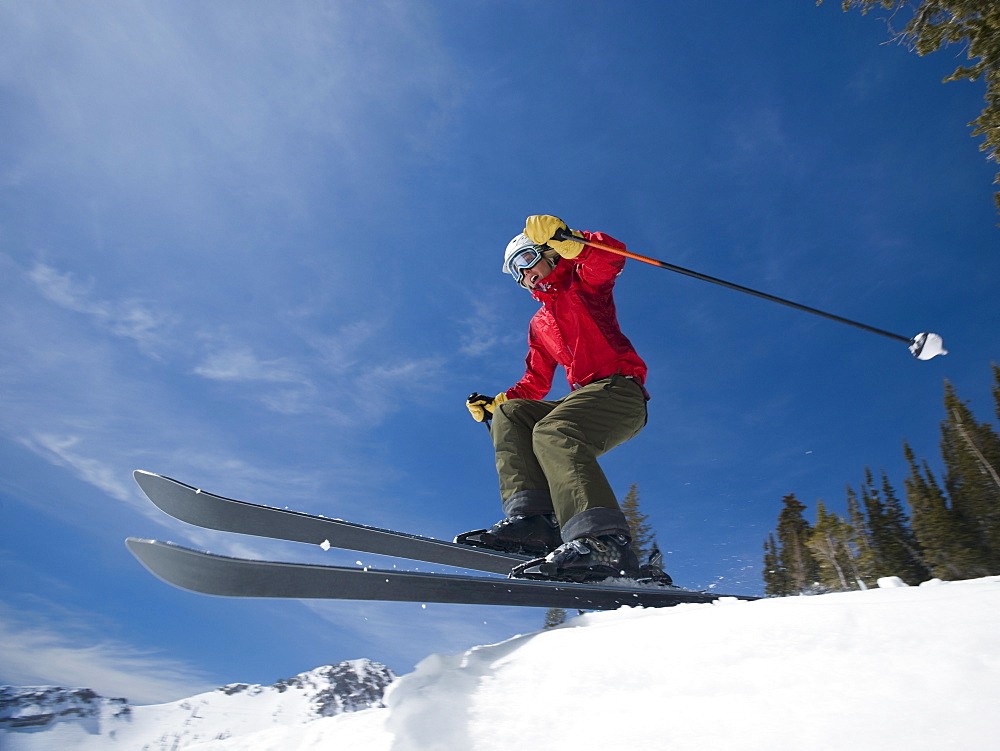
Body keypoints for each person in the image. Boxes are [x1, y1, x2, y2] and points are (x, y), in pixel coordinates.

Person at [458, 214, 654, 583]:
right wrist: (495, 404)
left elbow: (609, 258)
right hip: (583, 397)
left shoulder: (583, 285)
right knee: (511, 414)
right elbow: (534, 382)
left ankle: (603, 541)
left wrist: (574, 241)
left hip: (619, 391)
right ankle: (534, 524)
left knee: (554, 430)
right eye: (518, 273)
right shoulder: (540, 324)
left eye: (527, 260)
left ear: (547, 253)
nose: (526, 274)